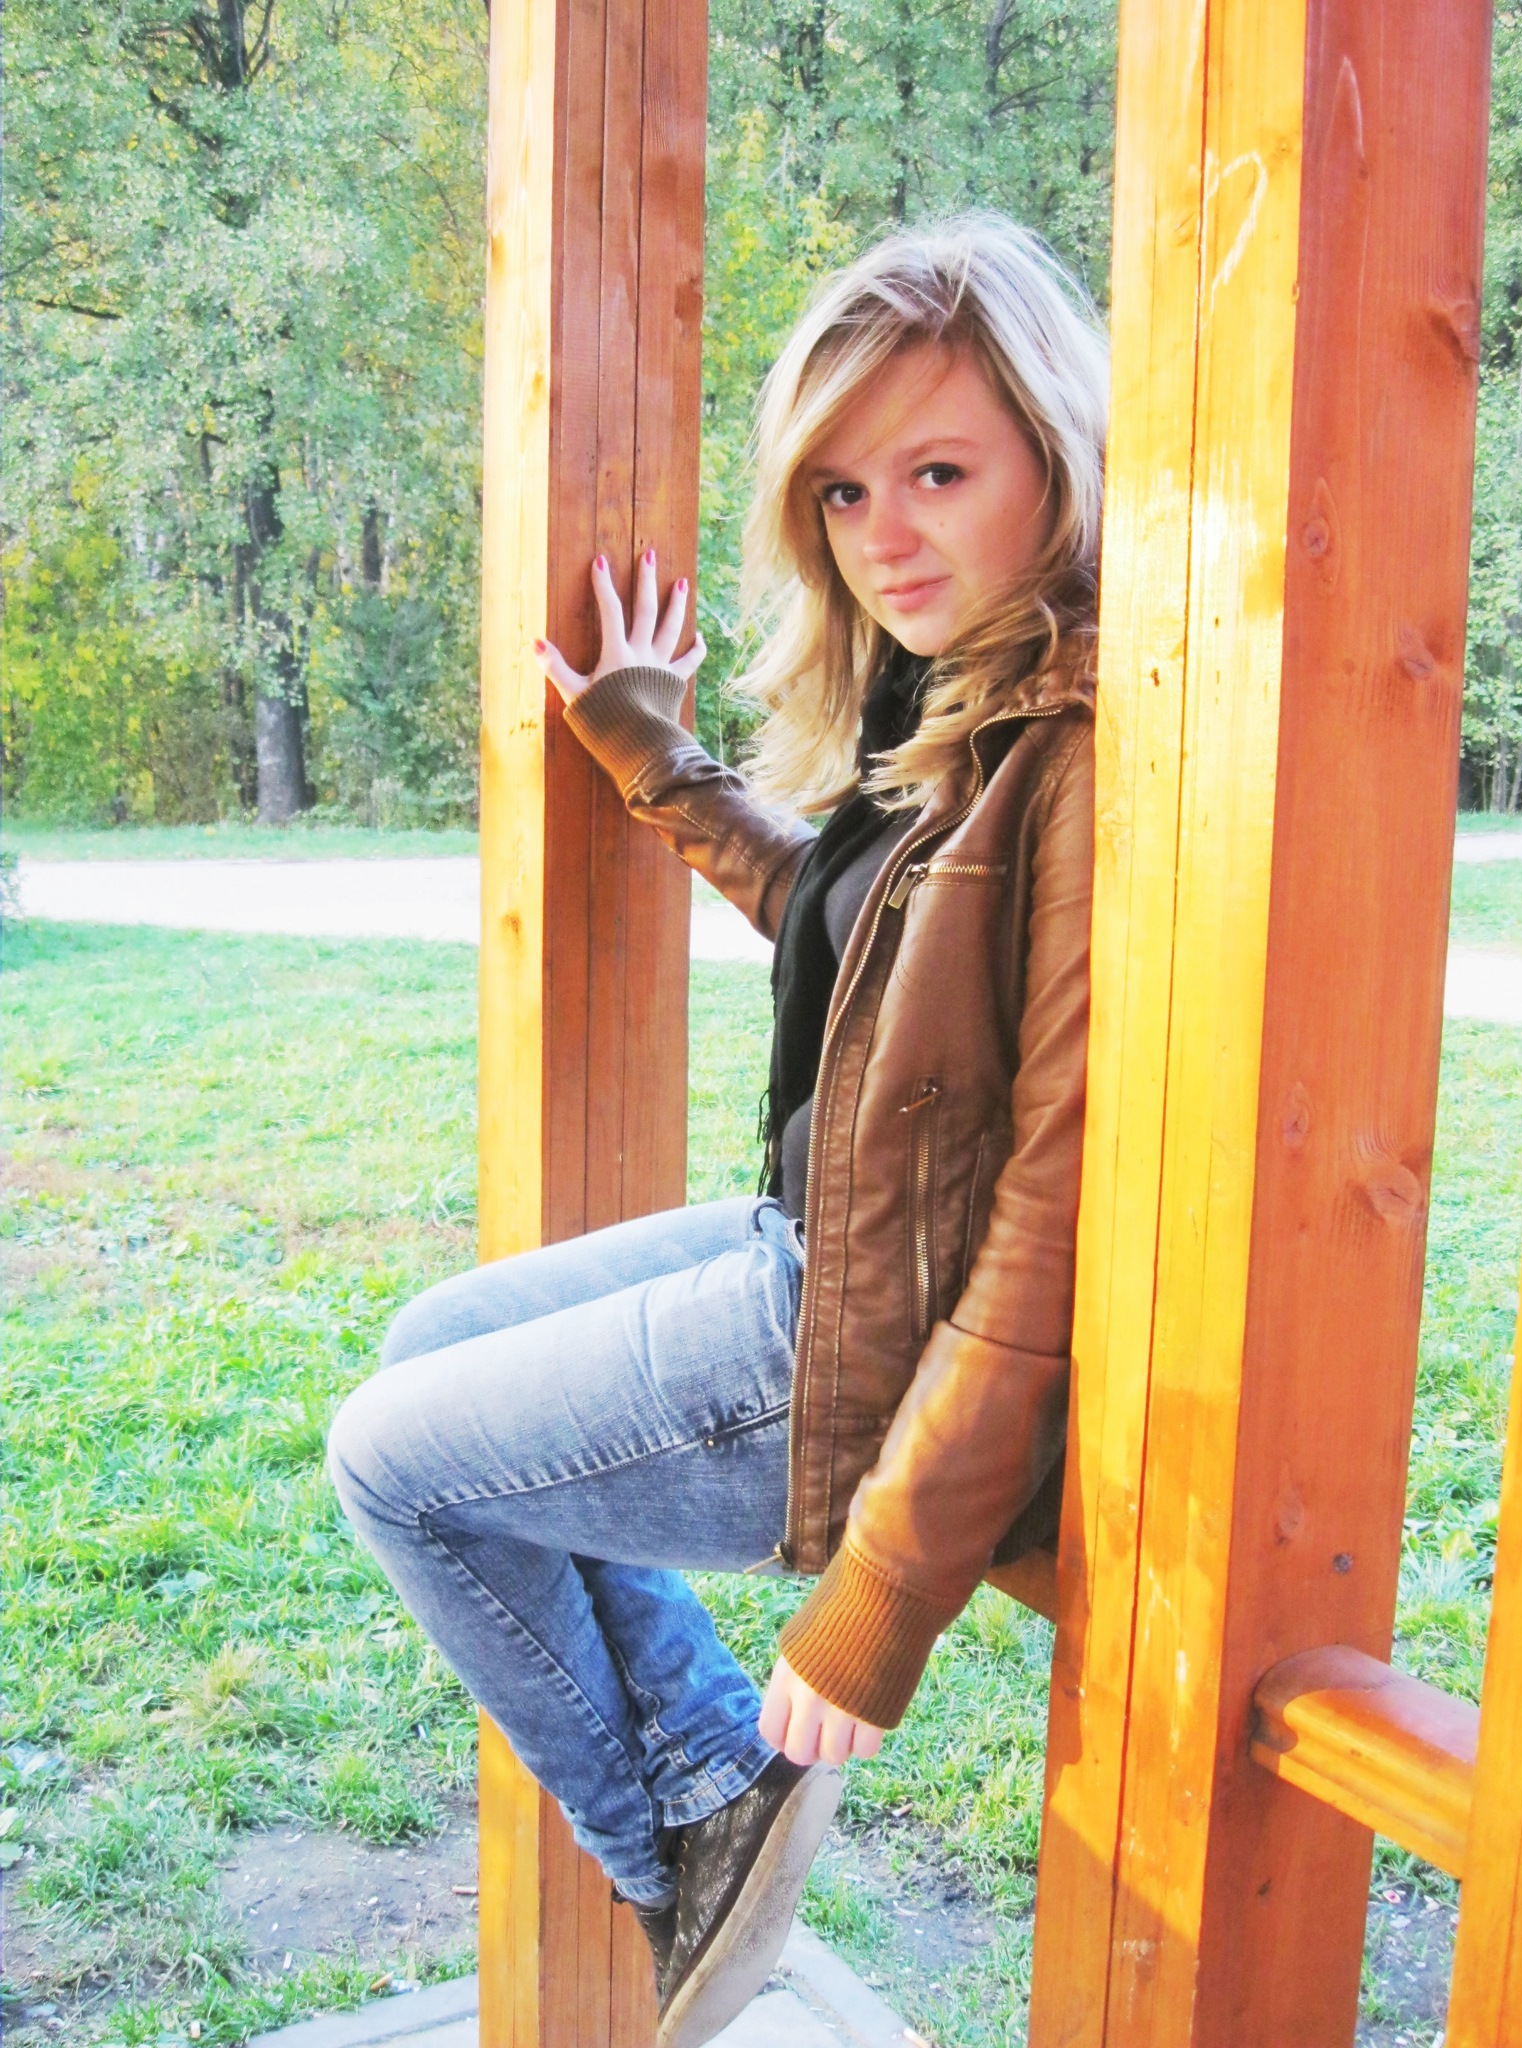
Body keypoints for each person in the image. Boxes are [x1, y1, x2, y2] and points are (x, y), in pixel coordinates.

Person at [328, 211, 1106, 2048]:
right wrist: (655, 758)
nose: (883, 536)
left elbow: (1053, 1209)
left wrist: (884, 1587)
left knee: (391, 1460)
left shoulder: (1078, 750)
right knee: (428, 1346)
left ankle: (680, 1834)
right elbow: (868, 955)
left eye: (937, 472)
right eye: (843, 492)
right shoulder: (961, 696)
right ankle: (701, 1768)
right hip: (811, 1248)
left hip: (859, 1346)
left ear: (1058, 455)